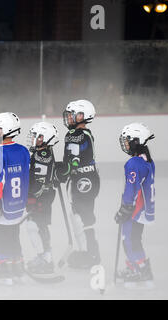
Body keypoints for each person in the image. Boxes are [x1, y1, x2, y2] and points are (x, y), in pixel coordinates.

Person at [0, 112, 30, 285]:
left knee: (0, 237)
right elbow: (26, 178)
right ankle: (18, 268)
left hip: (2, 207)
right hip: (18, 207)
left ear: (7, 129)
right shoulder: (24, 151)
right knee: (13, 235)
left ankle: (5, 272)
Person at [55, 99, 101, 269]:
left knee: (80, 217)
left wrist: (61, 173)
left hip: (82, 181)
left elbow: (73, 162)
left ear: (83, 116)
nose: (69, 118)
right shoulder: (85, 133)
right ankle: (90, 252)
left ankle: (89, 254)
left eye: (73, 115)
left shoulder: (76, 135)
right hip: (89, 179)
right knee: (83, 216)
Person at [115, 123, 155, 289]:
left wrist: (125, 208)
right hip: (145, 209)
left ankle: (140, 270)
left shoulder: (133, 163)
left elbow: (131, 189)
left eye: (128, 140)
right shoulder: (147, 160)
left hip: (135, 210)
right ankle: (135, 266)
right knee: (135, 239)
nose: (125, 144)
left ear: (136, 141)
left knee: (129, 240)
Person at [25, 121, 59, 275]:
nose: (33, 139)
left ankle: (46, 259)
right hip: (43, 196)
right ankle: (45, 257)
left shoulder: (42, 154)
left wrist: (32, 197)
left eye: (37, 137)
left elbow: (39, 180)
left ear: (46, 138)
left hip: (41, 198)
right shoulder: (44, 152)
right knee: (39, 226)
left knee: (36, 226)